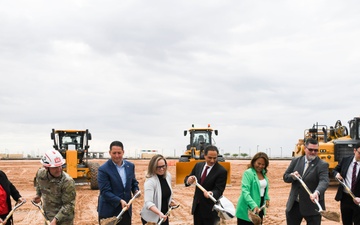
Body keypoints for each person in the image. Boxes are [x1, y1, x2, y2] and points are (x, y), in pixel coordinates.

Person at [283, 138, 329, 225]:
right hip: (294, 205)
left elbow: (324, 181)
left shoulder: (322, 165)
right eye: (310, 149)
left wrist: (317, 192)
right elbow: (286, 177)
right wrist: (292, 176)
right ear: (305, 148)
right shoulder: (295, 161)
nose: (313, 152)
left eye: (316, 150)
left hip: (312, 207)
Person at [97, 141, 140, 225]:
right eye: (114, 153)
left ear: (123, 152)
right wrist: (119, 200)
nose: (117, 156)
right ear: (110, 153)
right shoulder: (103, 169)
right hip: (108, 212)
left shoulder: (130, 166)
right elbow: (105, 191)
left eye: (119, 153)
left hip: (125, 211)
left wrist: (135, 190)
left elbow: (133, 182)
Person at [184, 145, 228, 225]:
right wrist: (188, 180)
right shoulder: (198, 166)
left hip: (211, 210)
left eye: (215, 158)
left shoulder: (221, 171)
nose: (212, 160)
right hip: (197, 208)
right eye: (209, 158)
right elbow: (189, 177)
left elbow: (219, 190)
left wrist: (211, 193)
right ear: (204, 155)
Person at [33, 149, 76, 225]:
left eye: (60, 166)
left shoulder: (67, 181)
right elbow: (38, 184)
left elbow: (69, 205)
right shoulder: (41, 174)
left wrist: (56, 220)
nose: (59, 169)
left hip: (64, 220)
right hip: (48, 216)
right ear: (46, 167)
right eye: (55, 167)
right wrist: (38, 195)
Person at [140, 154, 178, 225]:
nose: (161, 169)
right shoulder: (150, 181)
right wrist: (159, 213)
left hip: (163, 216)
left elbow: (164, 193)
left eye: (163, 166)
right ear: (153, 167)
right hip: (151, 219)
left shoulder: (167, 176)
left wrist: (170, 201)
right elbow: (148, 203)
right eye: (158, 167)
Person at [235, 152, 270, 225]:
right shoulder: (248, 173)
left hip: (260, 207)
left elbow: (263, 189)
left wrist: (267, 198)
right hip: (247, 208)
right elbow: (245, 191)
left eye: (263, 164)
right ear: (254, 162)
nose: (260, 166)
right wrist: (253, 205)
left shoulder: (263, 174)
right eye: (258, 163)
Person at [333, 143, 360, 225]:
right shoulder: (346, 160)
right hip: (345, 198)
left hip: (358, 200)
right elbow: (335, 170)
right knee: (346, 222)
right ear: (354, 151)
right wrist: (336, 174)